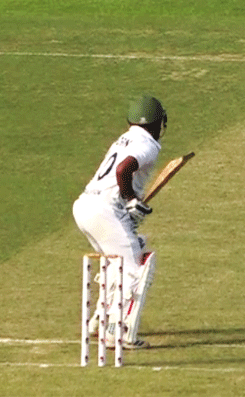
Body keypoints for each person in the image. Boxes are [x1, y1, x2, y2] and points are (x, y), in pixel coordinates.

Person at [72, 96, 166, 349]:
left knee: (116, 264)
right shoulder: (147, 144)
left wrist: (128, 205)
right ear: (158, 123)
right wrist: (131, 199)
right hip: (105, 210)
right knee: (135, 269)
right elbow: (123, 169)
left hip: (85, 205)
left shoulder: (124, 139)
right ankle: (117, 332)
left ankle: (99, 322)